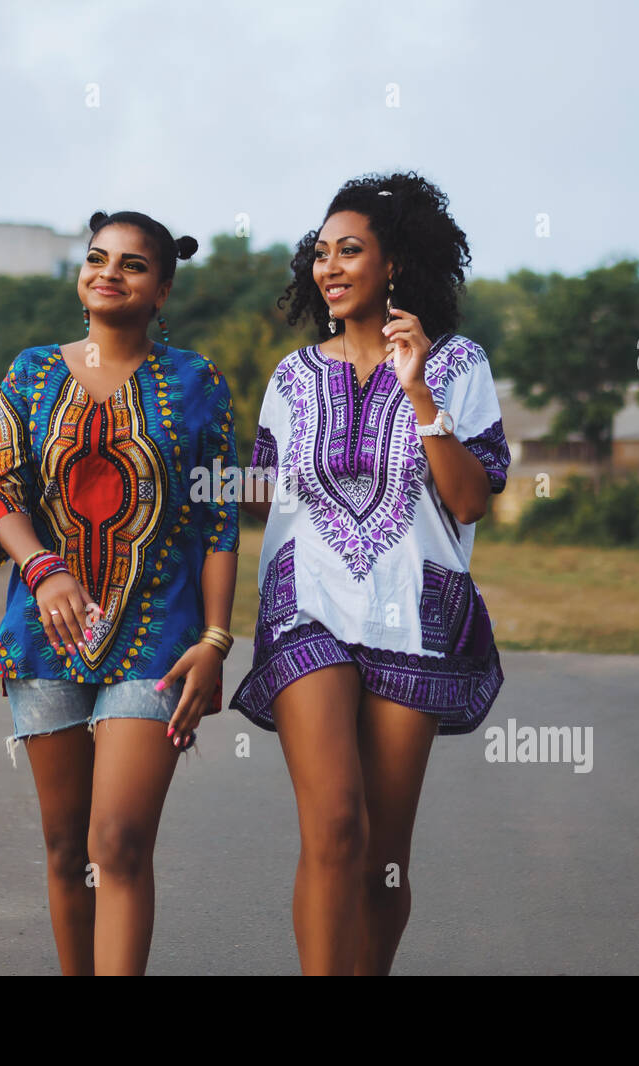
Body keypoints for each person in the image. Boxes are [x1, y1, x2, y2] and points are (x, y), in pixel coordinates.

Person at [231, 172, 509, 975]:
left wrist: (418, 391)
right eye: (320, 254)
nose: (330, 267)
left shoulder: (458, 364)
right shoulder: (292, 377)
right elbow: (263, 496)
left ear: (395, 265)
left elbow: (468, 501)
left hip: (411, 613)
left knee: (384, 859)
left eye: (350, 251)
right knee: (335, 827)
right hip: (306, 605)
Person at [0, 209, 239, 975]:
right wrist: (42, 568)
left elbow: (219, 521)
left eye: (132, 264)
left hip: (157, 638)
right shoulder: (30, 372)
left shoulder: (196, 381)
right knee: (65, 848)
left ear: (162, 290)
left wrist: (216, 642)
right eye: (97, 258)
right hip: (46, 637)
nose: (108, 272)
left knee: (116, 840)